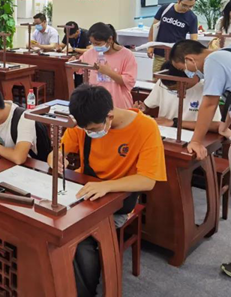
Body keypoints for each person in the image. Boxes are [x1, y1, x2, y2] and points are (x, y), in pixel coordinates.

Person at [48, 85, 166, 297]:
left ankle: (85, 292)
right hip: (84, 194)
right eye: (86, 129)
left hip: (118, 201)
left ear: (109, 117)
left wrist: (107, 185)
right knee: (47, 225)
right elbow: (61, 150)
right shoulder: (84, 121)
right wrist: (55, 157)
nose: (90, 133)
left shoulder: (146, 127)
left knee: (80, 239)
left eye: (93, 129)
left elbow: (148, 180)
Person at [169, 40, 231, 161]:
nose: (187, 73)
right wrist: (224, 128)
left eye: (183, 69)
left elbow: (210, 104)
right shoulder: (225, 54)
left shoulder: (213, 61)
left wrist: (196, 141)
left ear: (189, 60)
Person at [136, 61, 221, 132]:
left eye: (175, 89)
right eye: (168, 88)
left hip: (191, 135)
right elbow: (148, 105)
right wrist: (143, 107)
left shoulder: (206, 90)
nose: (171, 91)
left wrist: (175, 123)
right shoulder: (163, 83)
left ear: (185, 81)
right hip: (164, 131)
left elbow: (216, 125)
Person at [79, 23, 137, 109]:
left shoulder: (127, 55)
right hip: (96, 103)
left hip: (118, 104)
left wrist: (108, 72)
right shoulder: (90, 53)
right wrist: (73, 63)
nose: (95, 47)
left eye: (98, 43)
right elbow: (79, 67)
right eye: (93, 43)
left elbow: (129, 81)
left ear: (110, 39)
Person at [148, 0, 199, 73]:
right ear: (178, 0)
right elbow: (153, 28)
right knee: (157, 77)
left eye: (190, 6)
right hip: (160, 52)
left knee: (173, 79)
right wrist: (150, 46)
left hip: (177, 56)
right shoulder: (165, 8)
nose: (187, 8)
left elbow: (194, 39)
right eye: (184, 5)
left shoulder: (192, 17)